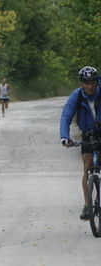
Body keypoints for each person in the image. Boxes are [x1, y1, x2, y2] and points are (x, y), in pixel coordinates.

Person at [60, 66, 101, 220]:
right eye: (86, 83)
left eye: (92, 83)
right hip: (88, 132)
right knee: (87, 165)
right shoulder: (76, 96)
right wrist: (64, 136)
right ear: (81, 84)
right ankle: (87, 205)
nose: (89, 86)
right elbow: (66, 116)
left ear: (96, 82)